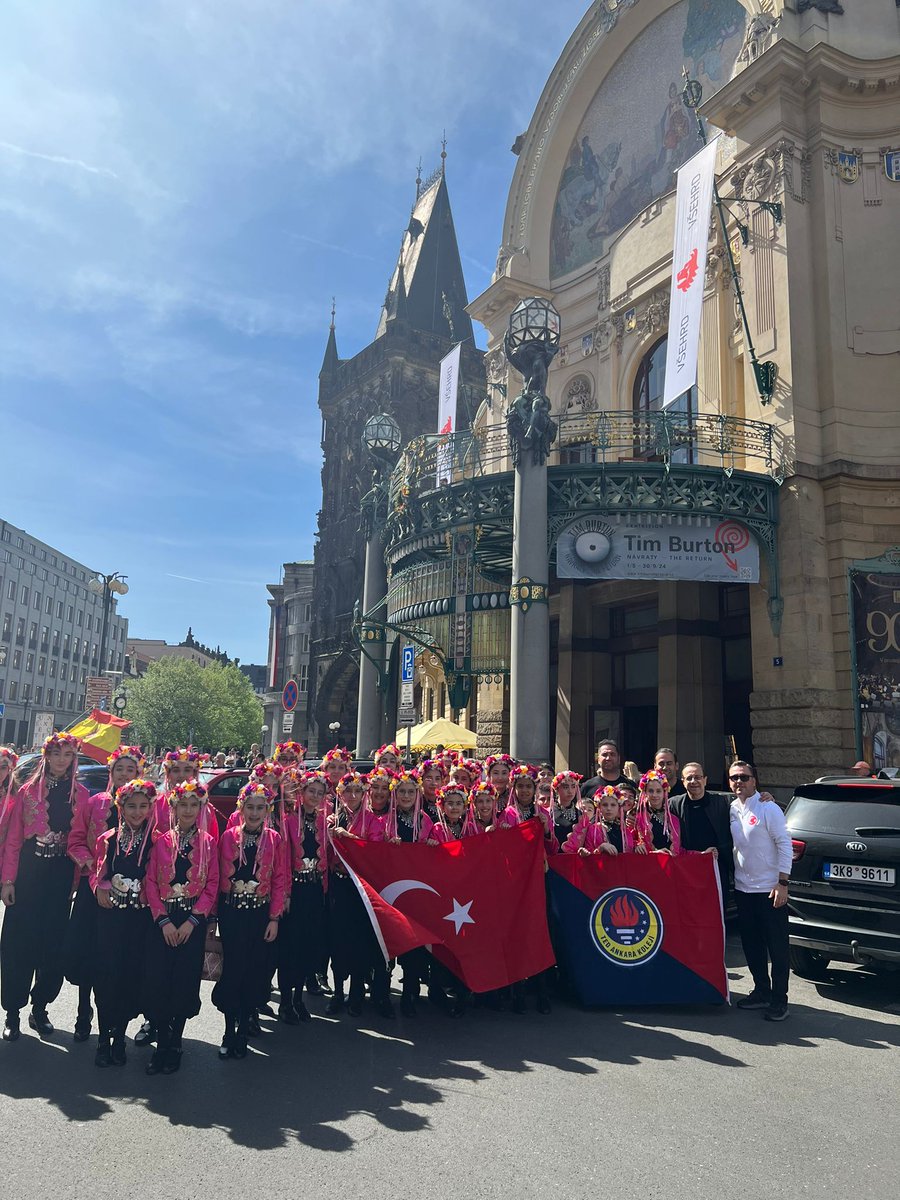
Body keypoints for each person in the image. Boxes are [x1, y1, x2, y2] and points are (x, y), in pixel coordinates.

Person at [1, 732, 88, 1042]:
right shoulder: (26, 792)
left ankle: (40, 1008)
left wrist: (77, 879)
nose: (62, 760)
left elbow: (82, 841)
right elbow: (12, 840)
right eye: (56, 754)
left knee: (52, 946)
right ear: (47, 756)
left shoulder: (81, 795)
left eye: (68, 754)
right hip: (28, 874)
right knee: (18, 945)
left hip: (60, 877)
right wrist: (8, 881)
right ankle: (13, 1013)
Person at [66, 743, 144, 1043]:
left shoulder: (145, 805)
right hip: (93, 890)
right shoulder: (96, 803)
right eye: (119, 769)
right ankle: (83, 1010)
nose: (124, 775)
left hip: (129, 897)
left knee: (119, 958)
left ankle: (116, 1020)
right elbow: (76, 841)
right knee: (89, 953)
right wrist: (92, 868)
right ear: (110, 772)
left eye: (131, 770)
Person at [143, 779, 219, 1074]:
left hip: (191, 923)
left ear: (201, 809)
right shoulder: (161, 841)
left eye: (193, 805)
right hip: (163, 923)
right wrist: (162, 921)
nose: (187, 810)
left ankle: (176, 1041)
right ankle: (161, 1042)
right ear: (173, 807)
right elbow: (151, 883)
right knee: (160, 980)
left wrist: (192, 921)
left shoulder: (208, 843)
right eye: (182, 804)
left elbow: (212, 885)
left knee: (184, 982)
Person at [214, 782, 285, 1060]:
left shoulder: (275, 839)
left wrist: (274, 918)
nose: (254, 813)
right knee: (232, 970)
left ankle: (243, 1028)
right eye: (250, 807)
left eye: (260, 808)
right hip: (232, 913)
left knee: (253, 971)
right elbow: (217, 876)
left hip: (259, 914)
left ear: (267, 810)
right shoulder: (228, 837)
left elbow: (279, 879)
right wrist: (214, 919)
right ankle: (228, 1030)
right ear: (241, 809)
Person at [91, 777, 157, 1067]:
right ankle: (103, 1038)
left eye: (143, 806)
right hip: (111, 920)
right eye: (131, 806)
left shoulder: (158, 841)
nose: (137, 812)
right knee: (107, 976)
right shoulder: (108, 839)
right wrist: (100, 886)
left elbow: (158, 878)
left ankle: (120, 1038)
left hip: (139, 922)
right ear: (121, 806)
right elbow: (97, 872)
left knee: (131, 976)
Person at [729, 761, 793, 1022]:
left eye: (744, 777)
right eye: (734, 778)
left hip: (770, 889)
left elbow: (785, 845)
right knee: (752, 945)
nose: (739, 782)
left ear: (755, 780)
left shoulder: (769, 808)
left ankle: (780, 999)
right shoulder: (731, 808)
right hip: (743, 889)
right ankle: (761, 991)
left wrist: (783, 883)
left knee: (777, 947)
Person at [327, 772, 392, 1018]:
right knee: (338, 941)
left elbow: (373, 853)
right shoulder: (333, 818)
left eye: (357, 791)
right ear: (340, 794)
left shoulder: (373, 822)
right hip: (338, 885)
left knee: (359, 943)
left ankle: (356, 994)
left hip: (360, 889)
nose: (352, 796)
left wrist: (350, 838)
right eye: (347, 791)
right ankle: (337, 992)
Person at [282, 770, 329, 1019]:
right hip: (295, 891)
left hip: (313, 889)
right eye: (311, 791)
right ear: (302, 792)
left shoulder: (322, 821)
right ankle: (286, 1001)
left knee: (308, 945)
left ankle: (299, 997)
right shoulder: (289, 820)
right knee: (291, 946)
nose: (315, 796)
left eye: (320, 793)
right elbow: (284, 859)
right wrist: (286, 894)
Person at [670, 762, 734, 909]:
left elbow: (746, 807)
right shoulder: (674, 804)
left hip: (717, 868)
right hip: (687, 870)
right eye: (689, 778)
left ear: (705, 780)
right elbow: (652, 812)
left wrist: (763, 797)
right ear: (683, 782)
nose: (694, 782)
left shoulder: (722, 802)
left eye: (698, 777)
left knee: (716, 912)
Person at [634, 769, 681, 854]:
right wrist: (638, 846)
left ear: (664, 793)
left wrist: (702, 854)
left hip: (671, 865)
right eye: (651, 791)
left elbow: (680, 852)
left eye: (658, 791)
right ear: (645, 793)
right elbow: (630, 842)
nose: (654, 795)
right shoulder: (637, 818)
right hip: (650, 864)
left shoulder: (674, 820)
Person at [549, 770, 583, 846]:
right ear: (557, 789)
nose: (570, 791)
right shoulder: (550, 813)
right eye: (565, 787)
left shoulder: (580, 813)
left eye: (573, 786)